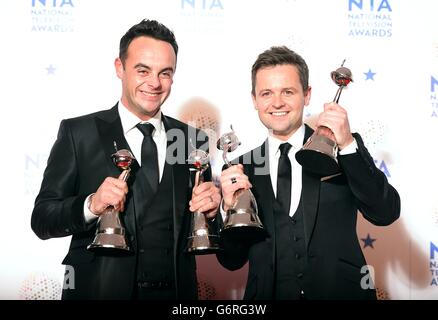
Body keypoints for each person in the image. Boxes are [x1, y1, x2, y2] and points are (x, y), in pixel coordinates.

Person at [31, 19, 221, 300]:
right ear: (119, 68)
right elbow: (42, 219)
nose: (154, 83)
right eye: (143, 70)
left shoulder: (193, 139)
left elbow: (203, 227)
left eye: (165, 73)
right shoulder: (78, 133)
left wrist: (214, 213)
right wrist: (91, 205)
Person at [217, 46, 400, 300]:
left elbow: (385, 212)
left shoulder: (340, 147)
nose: (277, 102)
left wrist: (347, 144)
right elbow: (231, 260)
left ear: (307, 94)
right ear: (254, 100)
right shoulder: (239, 168)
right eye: (267, 93)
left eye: (288, 92)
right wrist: (228, 209)